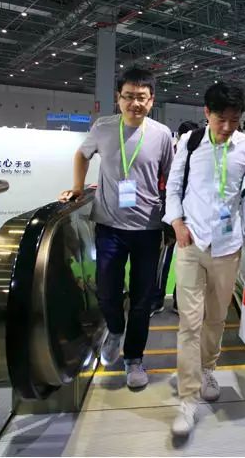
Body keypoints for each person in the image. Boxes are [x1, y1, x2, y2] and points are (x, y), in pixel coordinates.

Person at [58, 67, 174, 390]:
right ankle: (115, 329)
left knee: (142, 299)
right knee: (107, 292)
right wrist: (78, 187)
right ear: (118, 98)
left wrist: (172, 217)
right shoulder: (103, 127)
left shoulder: (162, 134)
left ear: (151, 100)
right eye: (129, 96)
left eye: (142, 97)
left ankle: (134, 358)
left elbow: (170, 177)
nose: (135, 103)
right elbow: (81, 155)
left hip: (148, 229)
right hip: (109, 225)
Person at [163, 83, 245, 437]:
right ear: (207, 113)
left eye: (234, 120)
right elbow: (173, 187)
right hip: (190, 243)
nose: (227, 127)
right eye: (221, 119)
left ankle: (208, 367)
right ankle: (188, 400)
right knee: (189, 323)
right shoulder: (190, 143)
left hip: (228, 247)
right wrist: (177, 223)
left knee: (216, 319)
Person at [151, 120, 201, 317]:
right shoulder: (169, 154)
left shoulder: (198, 155)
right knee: (163, 259)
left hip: (190, 217)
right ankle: (157, 300)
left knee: (187, 262)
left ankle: (178, 302)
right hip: (168, 216)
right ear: (179, 137)